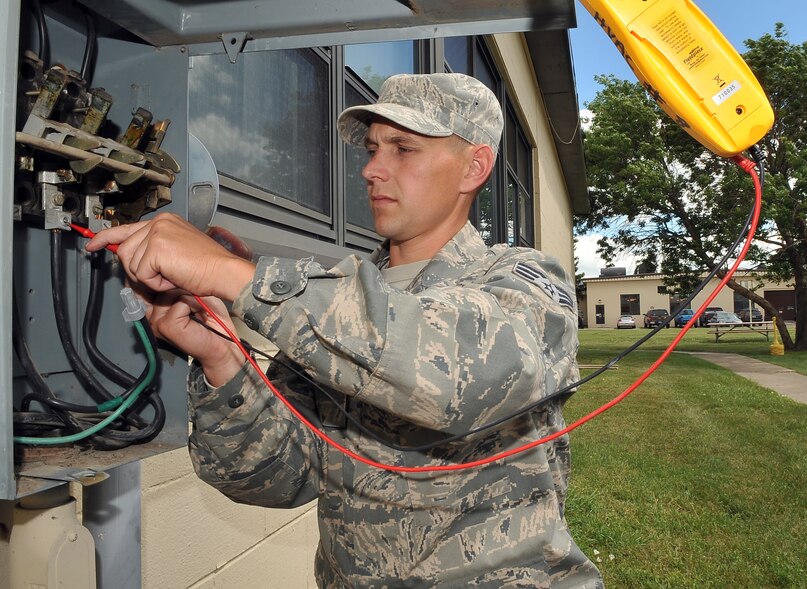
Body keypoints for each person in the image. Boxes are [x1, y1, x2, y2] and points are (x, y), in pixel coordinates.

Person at [88, 73, 603, 588]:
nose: (373, 169)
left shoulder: (522, 280)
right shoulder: (336, 305)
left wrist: (233, 274)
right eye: (373, 149)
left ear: (475, 166)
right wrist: (223, 361)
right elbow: (278, 478)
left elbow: (457, 376)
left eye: (403, 148)